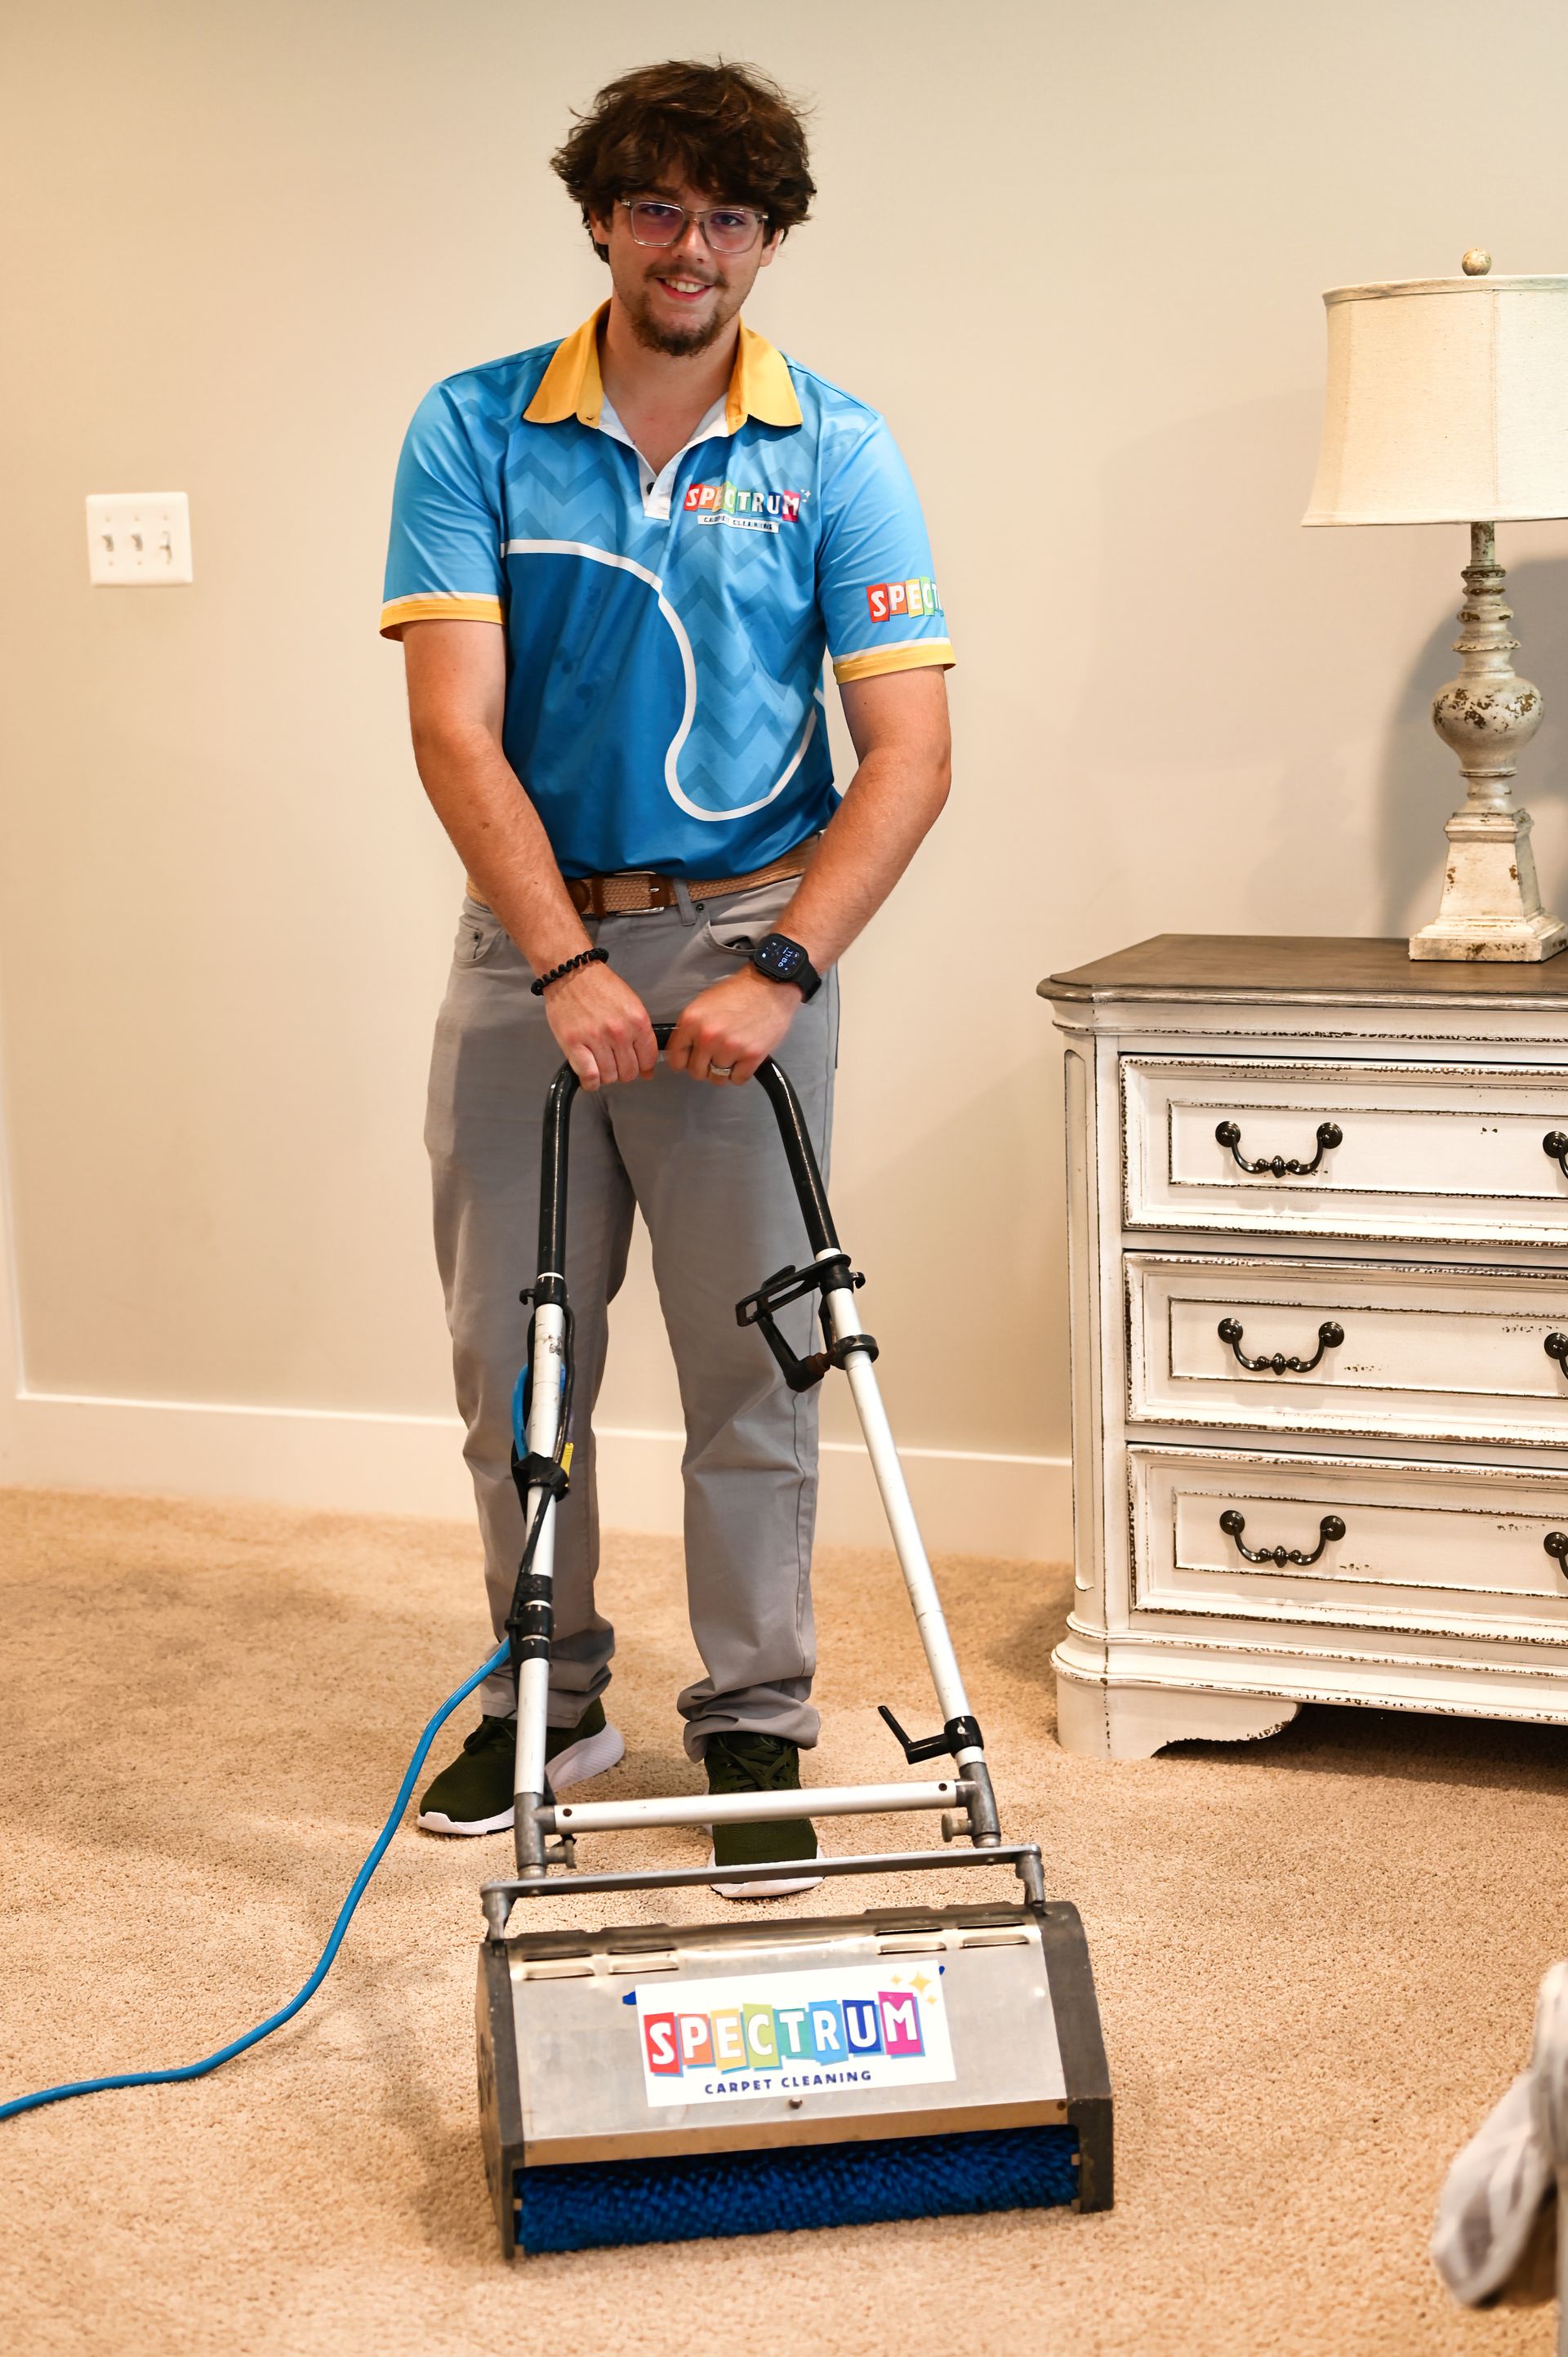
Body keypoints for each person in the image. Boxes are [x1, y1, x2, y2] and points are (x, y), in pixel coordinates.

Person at [382, 58, 952, 1896]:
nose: (688, 246)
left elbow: (912, 756)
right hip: (526, 951)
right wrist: (559, 960)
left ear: (769, 240)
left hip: (742, 951)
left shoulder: (835, 450)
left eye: (726, 215)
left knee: (755, 1363)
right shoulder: (474, 430)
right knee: (515, 1360)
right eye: (654, 208)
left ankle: (757, 1720)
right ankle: (549, 1698)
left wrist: (778, 969)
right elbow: (456, 735)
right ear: (602, 219)